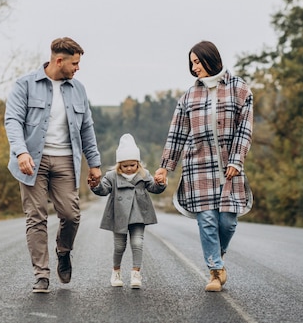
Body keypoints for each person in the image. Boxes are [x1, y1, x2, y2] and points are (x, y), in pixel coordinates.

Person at [4, 37, 102, 294]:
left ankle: (63, 250)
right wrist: (21, 152)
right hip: (31, 161)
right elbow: (12, 120)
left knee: (71, 215)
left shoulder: (78, 89)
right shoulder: (25, 85)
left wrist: (95, 164)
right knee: (36, 217)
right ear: (60, 60)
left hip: (66, 160)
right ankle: (41, 275)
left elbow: (87, 129)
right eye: (75, 63)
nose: (78, 68)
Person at [154, 40, 253, 292]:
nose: (194, 67)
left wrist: (237, 160)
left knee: (227, 223)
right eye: (191, 63)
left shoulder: (240, 89)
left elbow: (245, 129)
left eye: (197, 62)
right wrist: (166, 166)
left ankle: (215, 256)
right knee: (207, 220)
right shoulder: (189, 96)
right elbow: (176, 133)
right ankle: (215, 271)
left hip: (230, 168)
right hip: (198, 167)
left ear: (211, 58)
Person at [89, 133, 167, 289]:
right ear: (119, 165)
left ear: (138, 163)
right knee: (119, 246)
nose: (129, 168)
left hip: (139, 215)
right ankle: (116, 271)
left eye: (133, 165)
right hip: (119, 215)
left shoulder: (144, 175)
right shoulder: (112, 176)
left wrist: (160, 184)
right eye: (125, 166)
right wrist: (95, 185)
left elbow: (153, 188)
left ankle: (135, 273)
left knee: (137, 243)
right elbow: (104, 190)